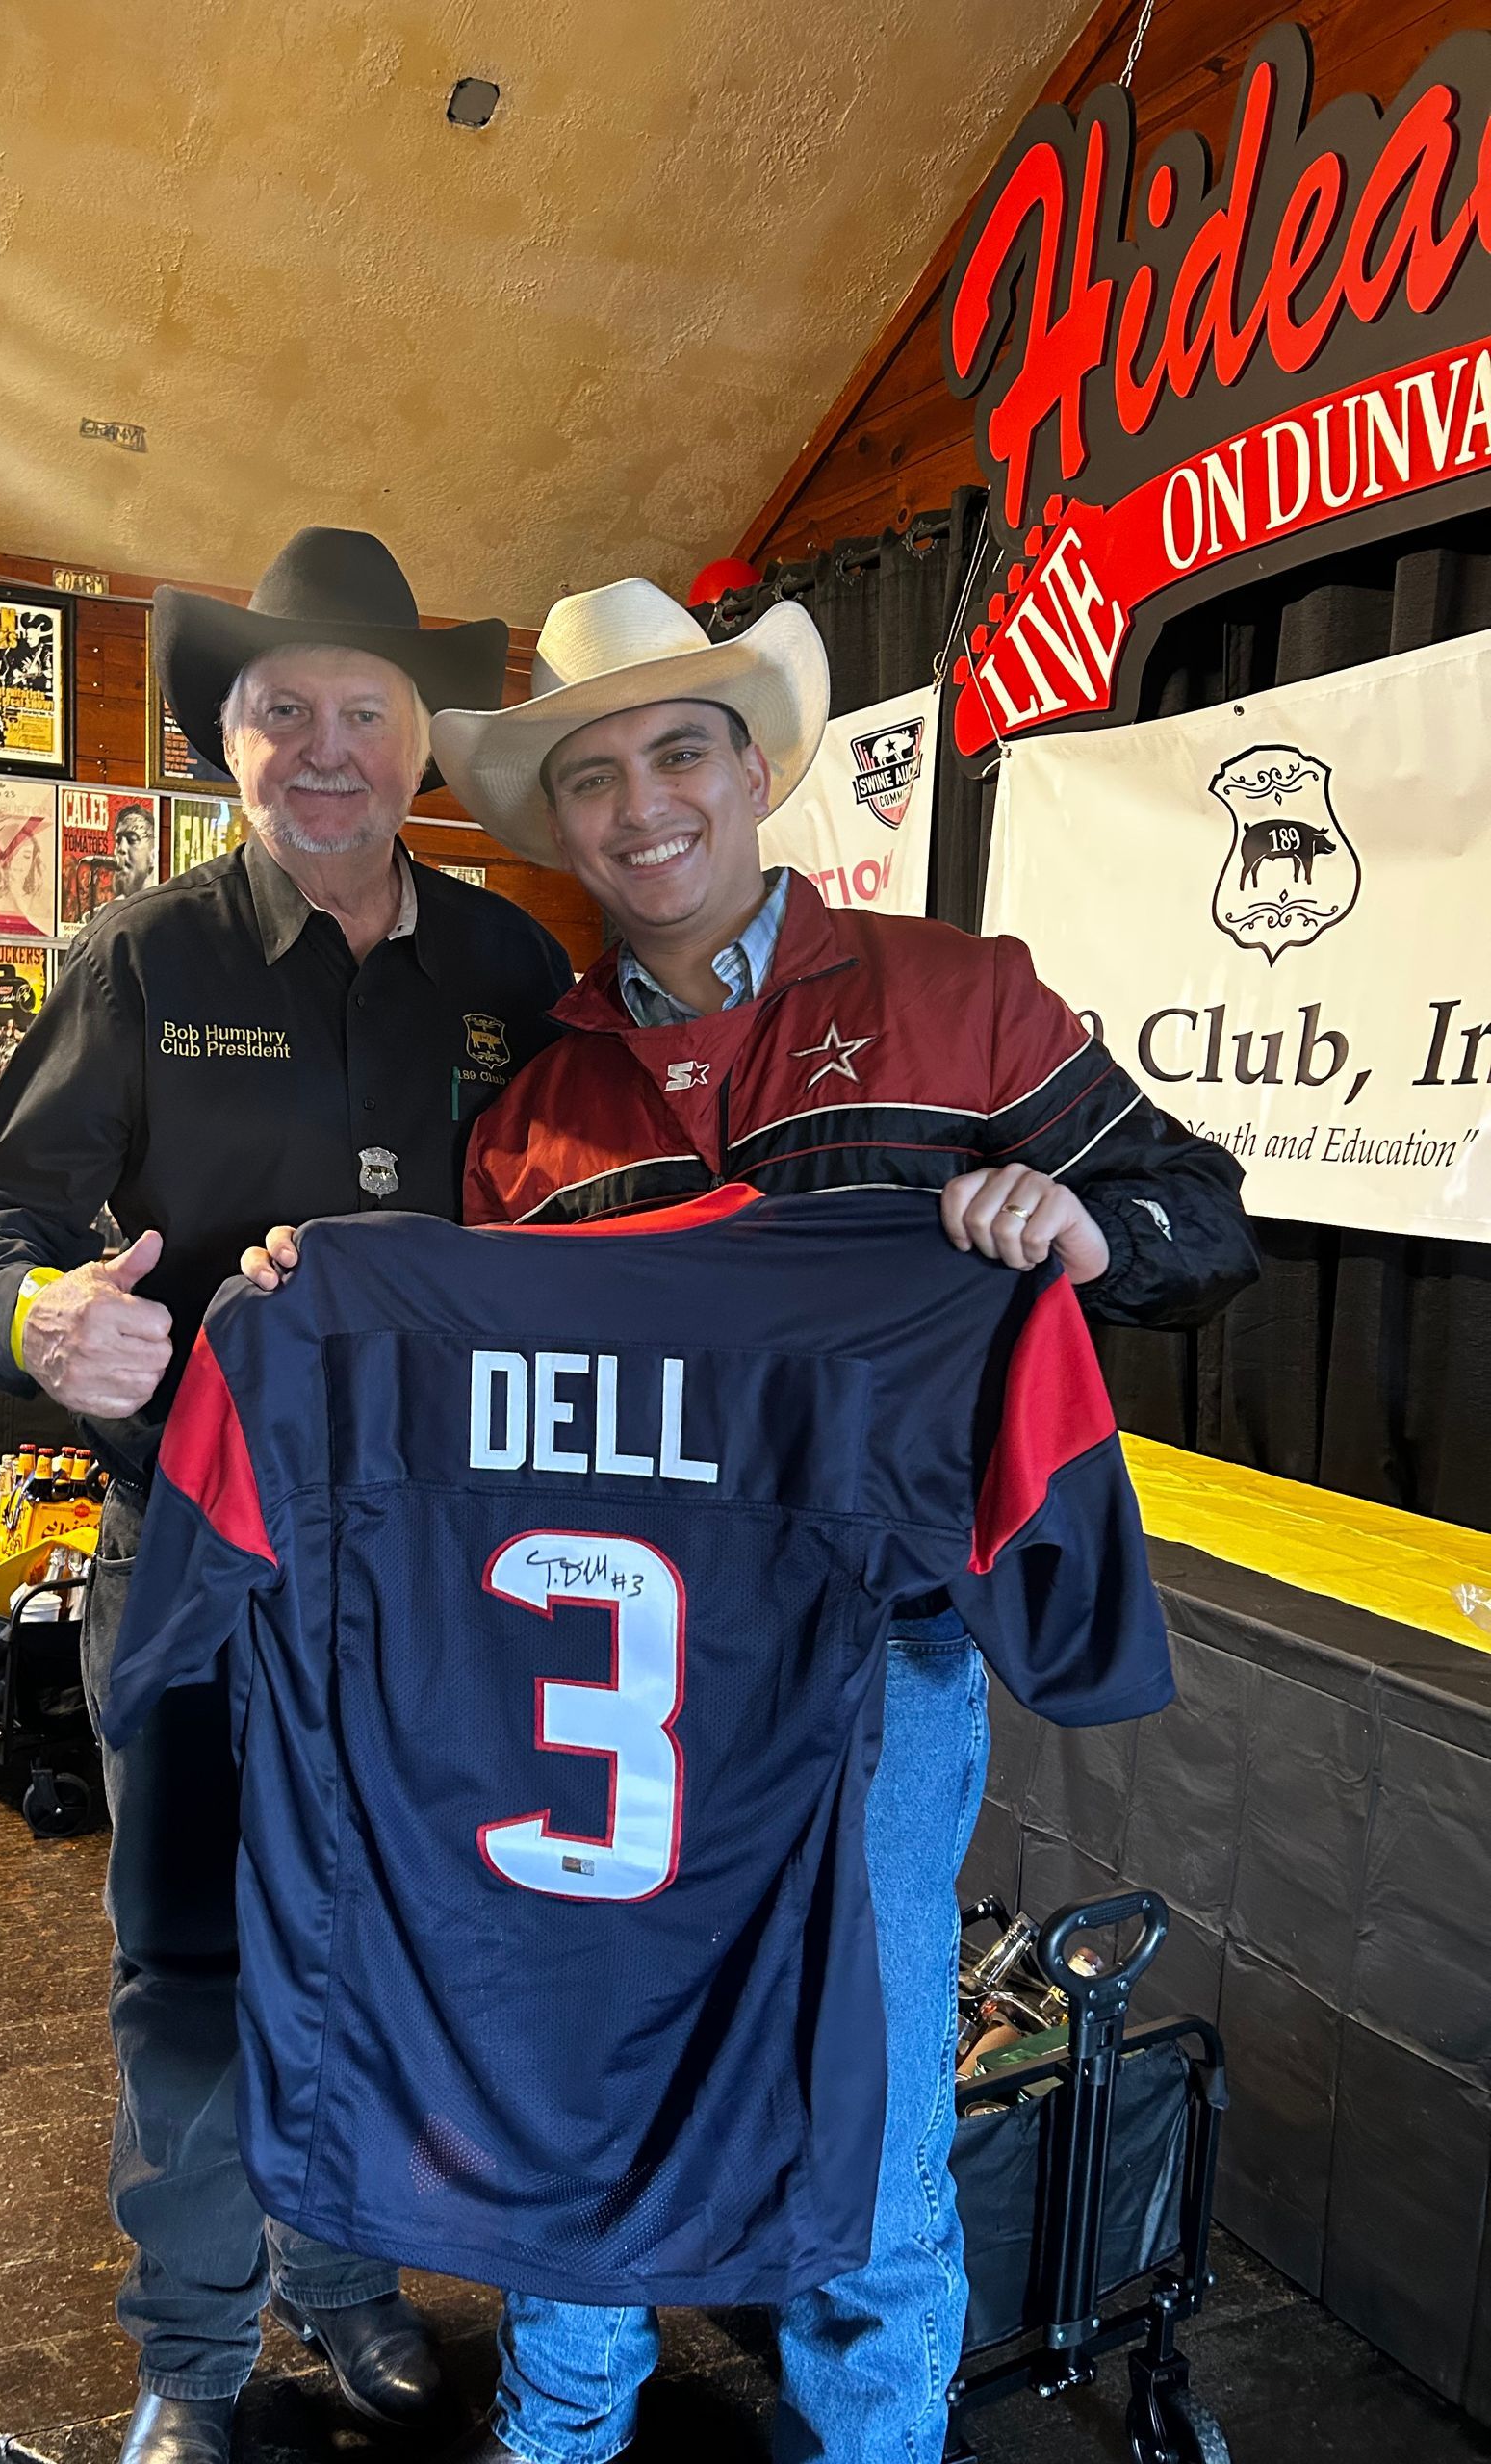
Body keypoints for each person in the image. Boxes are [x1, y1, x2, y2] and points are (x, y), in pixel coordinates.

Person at [251, 575, 1258, 2464]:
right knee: (581, 2073)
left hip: (866, 1682)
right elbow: (492, 1428)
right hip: (599, 1694)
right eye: (598, 773)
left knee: (861, 2114)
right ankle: (562, 2420)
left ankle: (875, 2437)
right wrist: (338, 1298)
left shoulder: (962, 1000)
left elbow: (1202, 1217)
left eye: (682, 749)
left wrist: (1081, 1226)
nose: (646, 806)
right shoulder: (531, 1119)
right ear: (560, 813)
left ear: (756, 764)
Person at [0, 526, 574, 2464]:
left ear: (420, 737)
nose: (321, 743)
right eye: (278, 708)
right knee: (196, 1964)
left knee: (385, 1941)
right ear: (227, 740)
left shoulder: (511, 969)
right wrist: (42, 1314)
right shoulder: (142, 961)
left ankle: (347, 2270)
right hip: (196, 1551)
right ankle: (197, 2354)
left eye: (360, 706)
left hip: (435, 1575)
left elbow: (604, 1213)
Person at [112, 800, 158, 898]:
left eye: (132, 840)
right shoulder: (104, 911)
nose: (121, 848)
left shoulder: (162, 908)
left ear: (153, 856)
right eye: (118, 840)